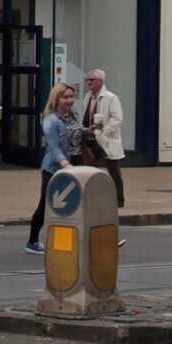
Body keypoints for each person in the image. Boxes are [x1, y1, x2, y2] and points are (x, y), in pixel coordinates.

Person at [24, 83, 81, 254]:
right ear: (56, 99)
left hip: (76, 163)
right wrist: (64, 164)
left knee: (81, 204)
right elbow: (54, 146)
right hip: (54, 169)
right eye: (65, 97)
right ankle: (32, 241)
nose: (69, 100)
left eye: (71, 97)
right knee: (47, 205)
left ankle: (85, 240)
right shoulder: (51, 120)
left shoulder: (73, 115)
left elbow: (76, 133)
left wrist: (88, 131)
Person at [79, 67, 126, 207]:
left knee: (113, 169)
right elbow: (85, 115)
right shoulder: (88, 97)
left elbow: (117, 119)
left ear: (100, 81)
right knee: (89, 168)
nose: (89, 82)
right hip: (90, 138)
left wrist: (105, 132)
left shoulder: (111, 98)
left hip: (107, 139)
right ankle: (91, 197)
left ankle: (119, 199)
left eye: (92, 80)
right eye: (88, 80)